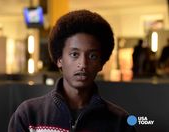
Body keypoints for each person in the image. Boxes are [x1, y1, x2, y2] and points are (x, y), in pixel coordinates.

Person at [8, 10, 136, 132]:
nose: (83, 64)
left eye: (92, 56)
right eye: (74, 54)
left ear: (101, 64)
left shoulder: (120, 122)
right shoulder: (29, 115)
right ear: (59, 60)